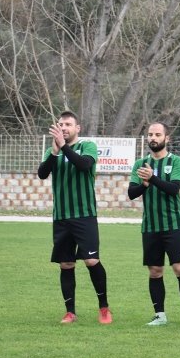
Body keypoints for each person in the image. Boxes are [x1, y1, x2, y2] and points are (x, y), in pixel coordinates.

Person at [37, 111, 111, 324]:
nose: (64, 127)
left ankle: (104, 308)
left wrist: (65, 147)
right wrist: (54, 151)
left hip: (84, 215)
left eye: (68, 124)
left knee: (91, 260)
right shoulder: (52, 151)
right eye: (61, 124)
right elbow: (42, 174)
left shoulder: (87, 147)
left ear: (77, 128)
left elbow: (84, 165)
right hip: (61, 217)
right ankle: (70, 312)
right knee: (66, 265)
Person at [128, 122, 180, 328]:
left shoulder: (176, 161)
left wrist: (153, 179)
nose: (153, 138)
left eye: (158, 134)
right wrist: (144, 184)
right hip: (150, 227)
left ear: (167, 138)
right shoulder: (140, 163)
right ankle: (160, 315)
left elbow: (173, 189)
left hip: (173, 225)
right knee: (155, 271)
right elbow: (132, 193)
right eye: (150, 134)